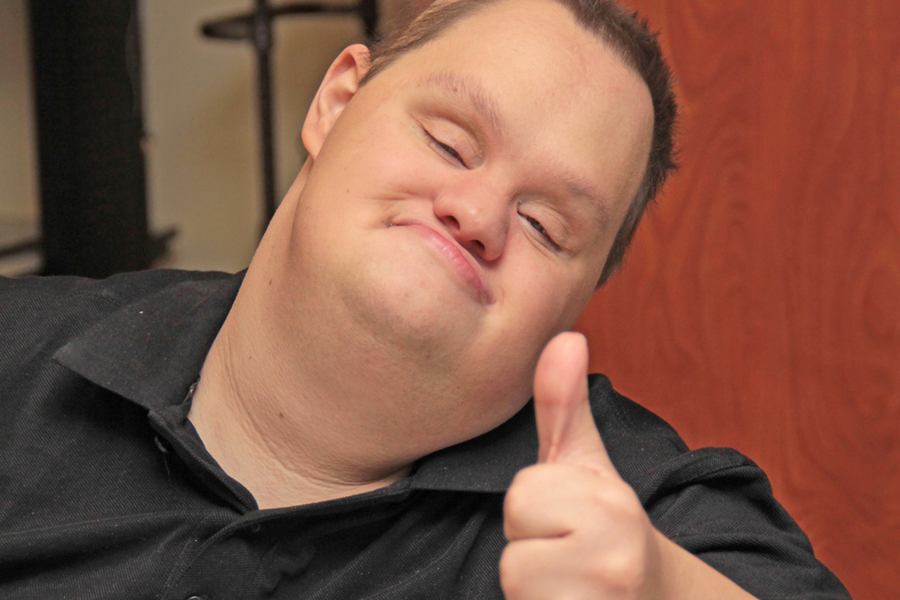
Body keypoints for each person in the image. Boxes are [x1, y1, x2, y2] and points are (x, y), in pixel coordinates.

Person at [0, 0, 851, 598]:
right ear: (336, 103)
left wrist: (665, 591)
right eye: (450, 141)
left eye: (546, 226)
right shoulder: (18, 351)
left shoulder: (637, 518)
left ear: (581, 300)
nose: (477, 215)